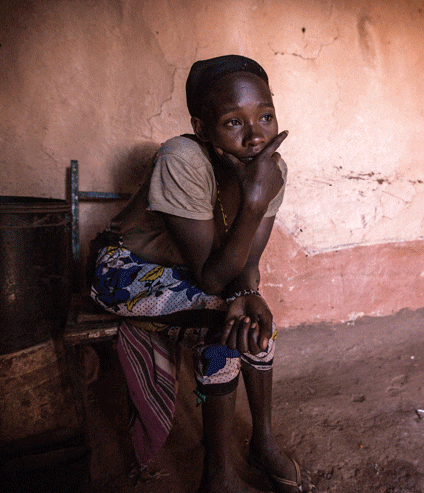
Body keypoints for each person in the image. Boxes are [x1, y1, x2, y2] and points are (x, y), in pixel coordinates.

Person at [90, 55, 313, 493]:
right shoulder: (182, 158)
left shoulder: (271, 170)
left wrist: (252, 293)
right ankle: (218, 475)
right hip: (124, 270)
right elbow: (212, 279)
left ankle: (261, 442)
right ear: (201, 127)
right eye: (233, 122)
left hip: (191, 272)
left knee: (251, 312)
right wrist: (251, 201)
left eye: (265, 116)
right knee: (222, 309)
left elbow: (247, 261)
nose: (255, 135)